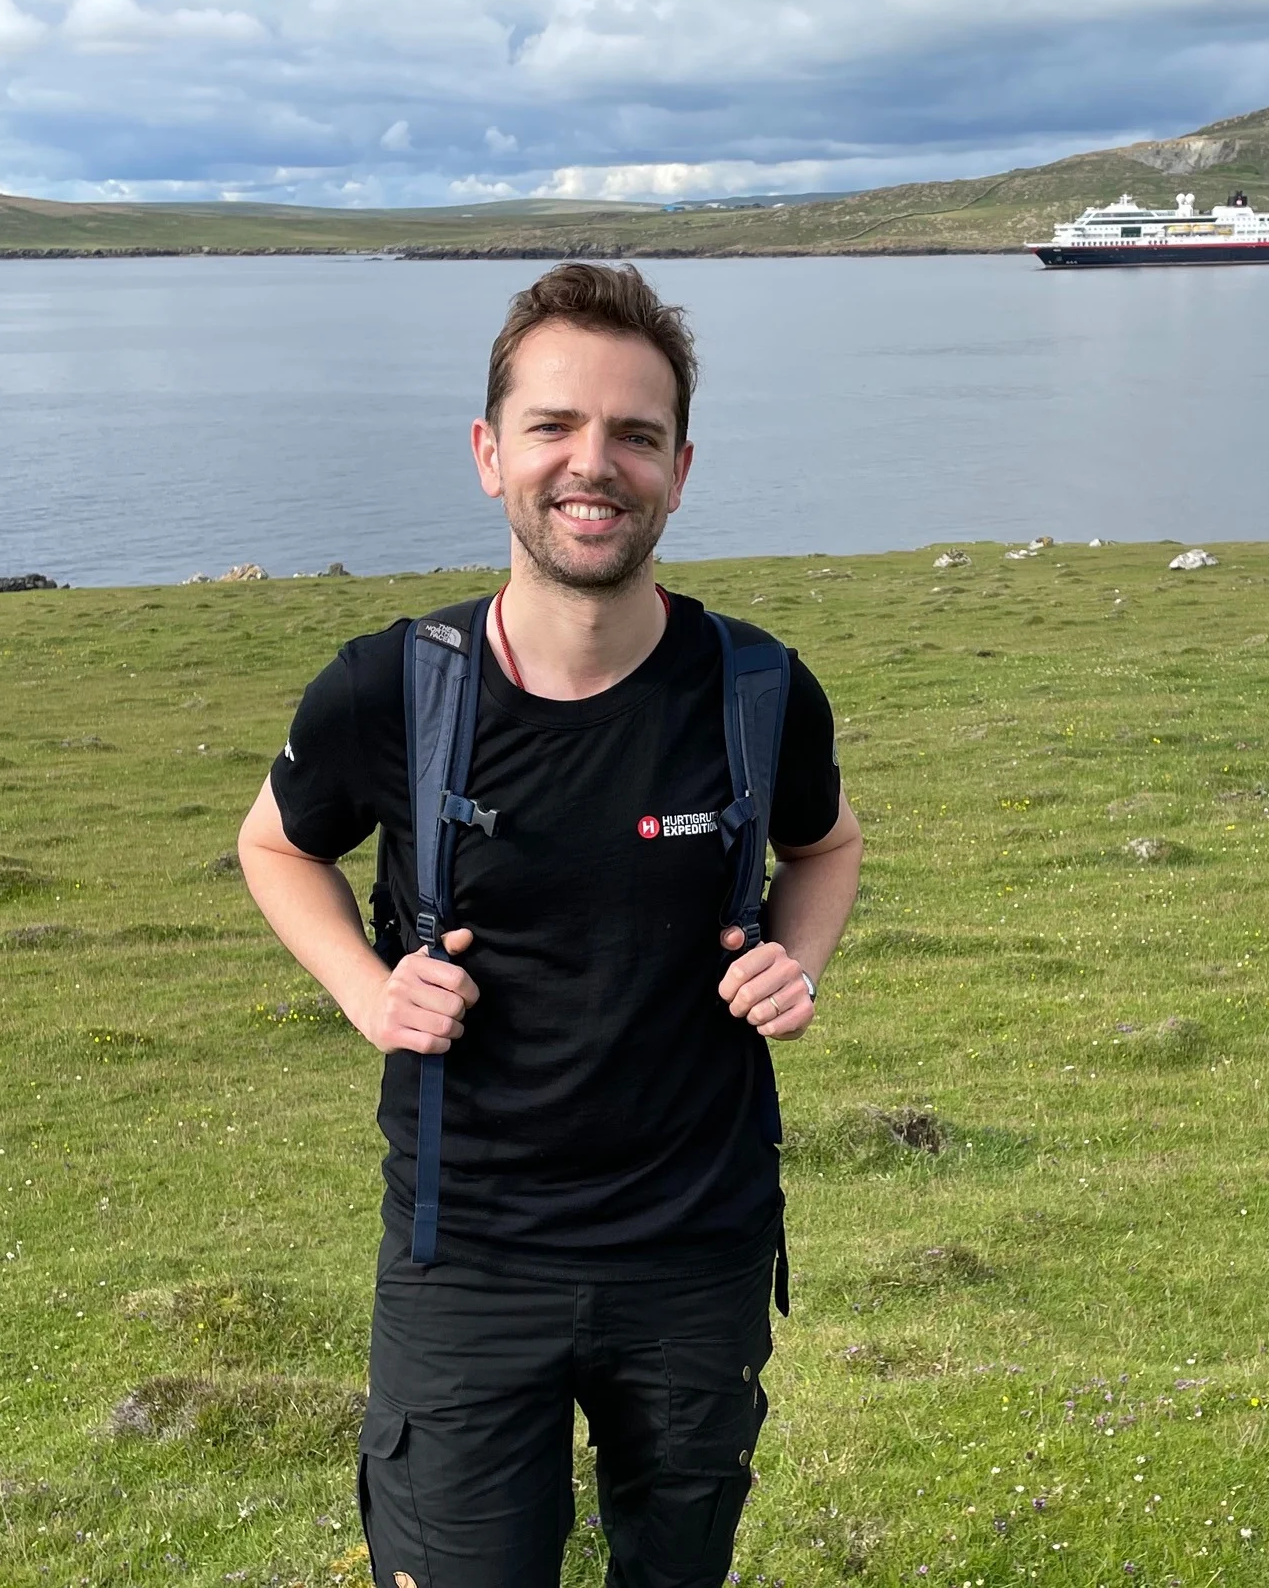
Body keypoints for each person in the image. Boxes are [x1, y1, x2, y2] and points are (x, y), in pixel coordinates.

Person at [238, 261, 864, 1588]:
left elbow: (827, 844)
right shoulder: (393, 684)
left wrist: (791, 962)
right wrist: (365, 991)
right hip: (465, 1253)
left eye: (635, 433)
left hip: (696, 1252)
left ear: (680, 468)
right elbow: (276, 844)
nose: (596, 464)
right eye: (554, 427)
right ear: (488, 452)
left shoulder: (755, 688)